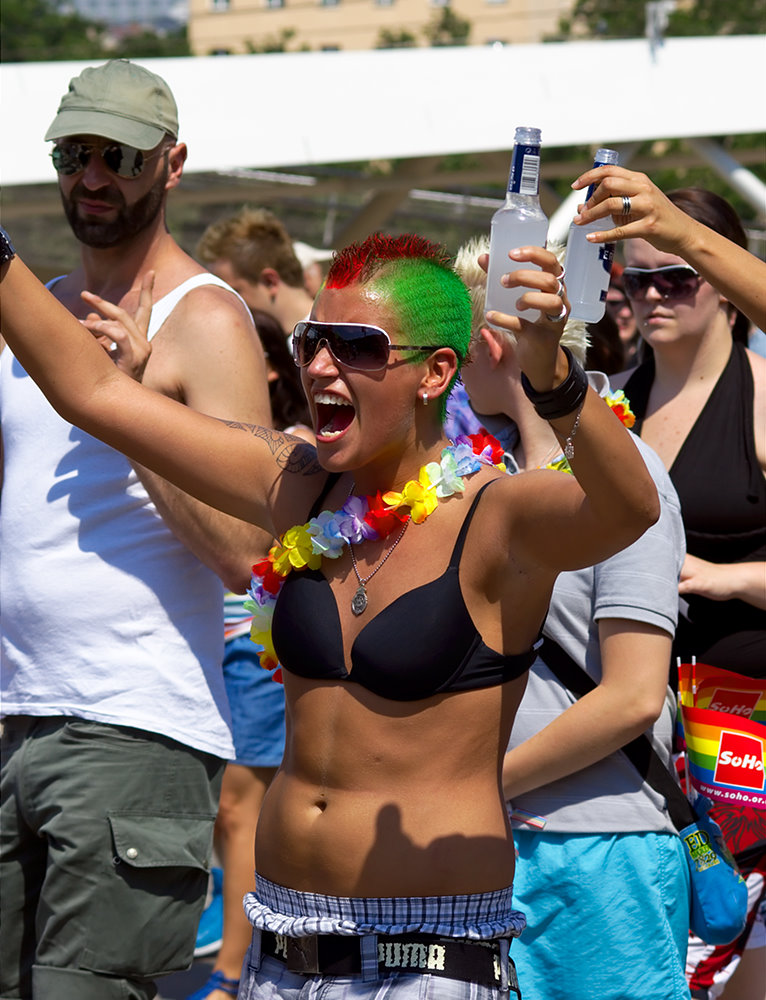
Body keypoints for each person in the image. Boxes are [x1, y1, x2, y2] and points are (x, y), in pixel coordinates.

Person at [0, 226, 661, 999]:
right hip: (282, 949)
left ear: (435, 371)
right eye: (314, 338)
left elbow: (628, 507)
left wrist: (554, 379)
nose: (317, 366)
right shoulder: (299, 486)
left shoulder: (498, 516)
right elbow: (96, 393)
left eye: (356, 345)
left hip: (427, 957)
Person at [0, 60, 271, 1000]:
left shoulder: (207, 319)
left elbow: (251, 552)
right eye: (73, 153)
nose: (92, 176)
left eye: (116, 154)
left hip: (133, 729)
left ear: (172, 164)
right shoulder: (33, 310)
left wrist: (134, 403)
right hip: (13, 720)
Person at [455, 235, 691, 1000]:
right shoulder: (488, 482)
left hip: (599, 851)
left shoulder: (629, 476)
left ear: (492, 340)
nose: (447, 365)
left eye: (453, 341)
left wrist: (482, 782)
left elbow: (633, 695)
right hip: (502, 845)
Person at [571, 165, 766, 1000]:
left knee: (739, 945)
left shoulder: (762, 397)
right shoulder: (614, 401)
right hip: (644, 719)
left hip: (748, 718)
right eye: (635, 278)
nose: (653, 296)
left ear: (722, 283)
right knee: (670, 945)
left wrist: (727, 577)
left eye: (677, 276)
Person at [189, 309, 313, 1000]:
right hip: (227, 650)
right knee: (234, 812)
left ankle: (232, 972)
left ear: (270, 368)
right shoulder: (225, 443)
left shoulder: (293, 448)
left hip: (260, 656)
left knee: (240, 812)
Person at [196, 207, 315, 338]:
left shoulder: (324, 344)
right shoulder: (291, 341)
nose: (223, 302)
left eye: (233, 291)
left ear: (270, 282)